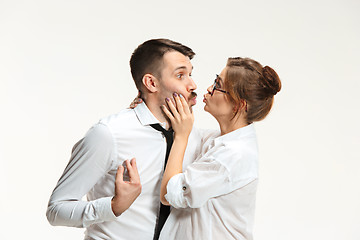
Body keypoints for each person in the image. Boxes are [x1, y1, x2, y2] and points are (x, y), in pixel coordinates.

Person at [46, 39, 204, 240]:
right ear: (151, 83)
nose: (192, 85)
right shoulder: (108, 134)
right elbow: (56, 210)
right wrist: (112, 206)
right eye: (180, 75)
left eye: (190, 74)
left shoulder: (191, 136)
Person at [158, 57, 281, 239]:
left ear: (239, 105)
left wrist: (182, 135)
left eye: (218, 84)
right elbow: (188, 136)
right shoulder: (222, 139)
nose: (209, 89)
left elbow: (169, 194)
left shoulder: (232, 155)